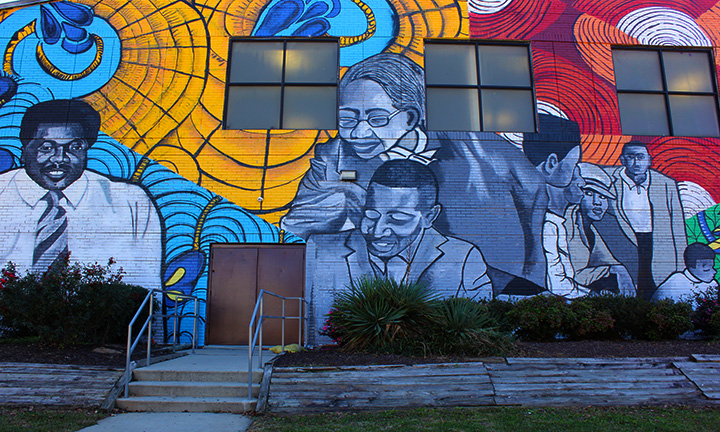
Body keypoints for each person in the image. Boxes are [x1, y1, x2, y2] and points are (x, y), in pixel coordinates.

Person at [307, 160, 492, 332]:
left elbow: (481, 325)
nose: (377, 231)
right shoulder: (320, 249)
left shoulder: (463, 258)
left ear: (429, 217)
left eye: (397, 218)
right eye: (371, 215)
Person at [0, 99, 162, 289]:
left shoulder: (130, 201)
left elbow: (148, 285)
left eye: (74, 147)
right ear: (24, 152)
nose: (60, 158)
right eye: (46, 148)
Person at [281, 53, 439, 238]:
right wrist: (340, 199)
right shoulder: (332, 157)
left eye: (377, 119)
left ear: (410, 118)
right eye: (347, 119)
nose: (359, 133)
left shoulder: (454, 158)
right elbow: (297, 226)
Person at [598, 141, 686, 299]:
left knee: (653, 284)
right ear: (622, 160)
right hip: (624, 242)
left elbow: (677, 226)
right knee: (630, 286)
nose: (636, 162)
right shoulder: (608, 179)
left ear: (649, 160)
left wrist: (681, 268)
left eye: (640, 157)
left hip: (655, 242)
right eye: (630, 157)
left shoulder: (666, 184)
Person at [521, 114, 586, 297]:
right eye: (573, 165)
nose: (580, 180)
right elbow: (557, 284)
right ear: (551, 163)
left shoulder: (533, 207)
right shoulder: (543, 221)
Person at [564, 163, 635, 295]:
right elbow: (571, 276)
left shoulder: (589, 230)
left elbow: (607, 260)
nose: (597, 202)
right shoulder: (568, 223)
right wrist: (608, 271)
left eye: (603, 197)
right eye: (589, 193)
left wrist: (615, 271)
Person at [653, 242, 718, 301]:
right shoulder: (674, 285)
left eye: (712, 267)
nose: (714, 272)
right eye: (707, 269)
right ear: (692, 267)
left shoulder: (712, 284)